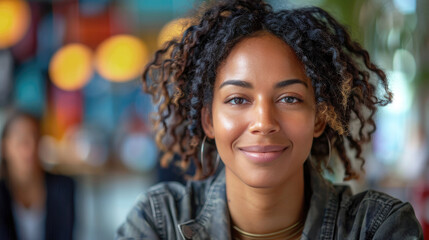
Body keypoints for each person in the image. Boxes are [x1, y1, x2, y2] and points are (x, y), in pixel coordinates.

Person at [117, 0, 423, 239]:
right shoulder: (158, 222)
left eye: (289, 99)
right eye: (238, 99)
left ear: (320, 117)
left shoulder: (377, 228)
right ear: (208, 120)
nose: (263, 122)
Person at [0, 111, 75, 240]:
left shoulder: (63, 188)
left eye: (36, 138)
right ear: (5, 147)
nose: (31, 149)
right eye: (22, 141)